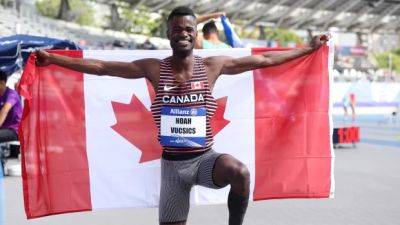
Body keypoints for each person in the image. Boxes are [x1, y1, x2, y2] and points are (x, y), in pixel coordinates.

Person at [34, 6, 328, 225]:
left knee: (240, 172)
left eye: (189, 29)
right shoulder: (153, 68)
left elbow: (263, 60)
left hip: (205, 160)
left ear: (195, 34)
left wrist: (307, 49)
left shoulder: (213, 66)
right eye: (177, 29)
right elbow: (102, 68)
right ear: (169, 34)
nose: (183, 34)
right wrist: (53, 59)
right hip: (174, 168)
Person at [0, 70, 22, 175]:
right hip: (4, 129)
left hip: (15, 130)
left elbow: (5, 111)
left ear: (3, 83)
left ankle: (1, 165)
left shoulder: (11, 94)